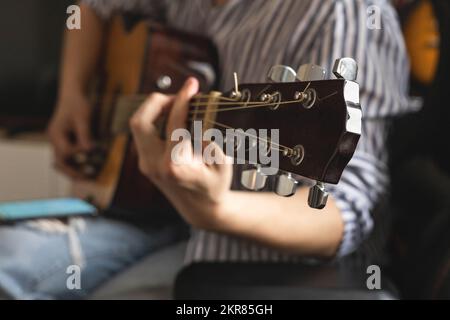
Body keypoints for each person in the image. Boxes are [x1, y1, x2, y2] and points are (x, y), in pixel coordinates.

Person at [0, 0, 414, 299]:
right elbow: (91, 8)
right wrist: (71, 95)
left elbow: (348, 209)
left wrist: (216, 210)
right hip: (152, 213)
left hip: (253, 264)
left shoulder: (341, 13)